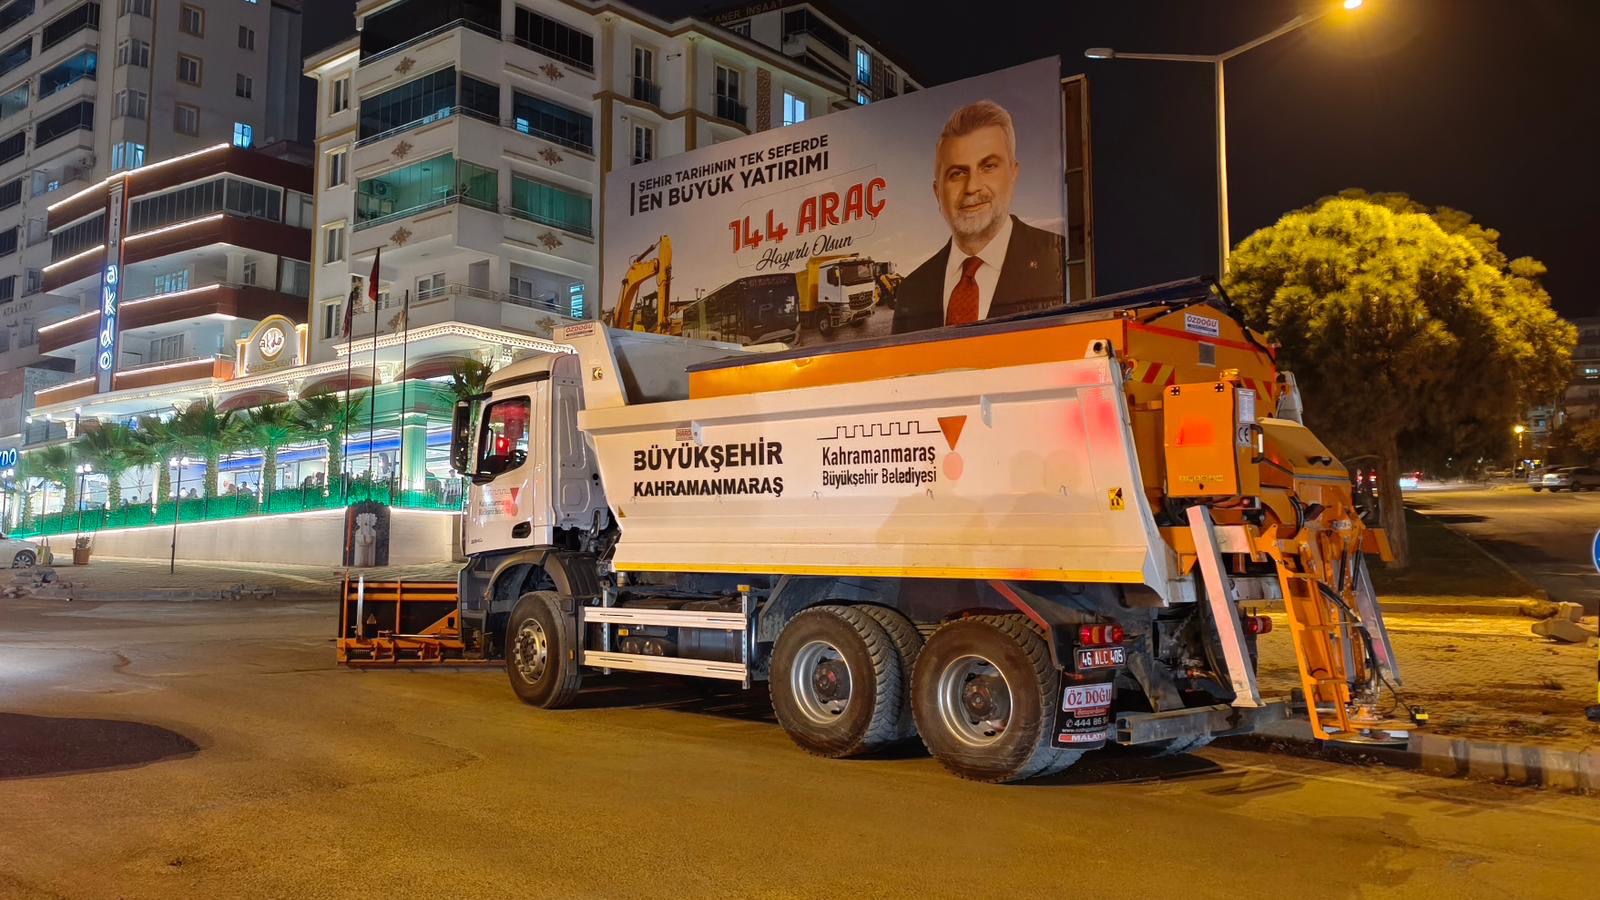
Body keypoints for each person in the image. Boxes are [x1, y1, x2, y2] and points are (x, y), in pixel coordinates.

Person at [892, 100, 1065, 334]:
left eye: (988, 166)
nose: (972, 186)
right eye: (957, 174)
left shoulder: (1057, 259)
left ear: (1013, 174)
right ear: (937, 192)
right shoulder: (912, 290)